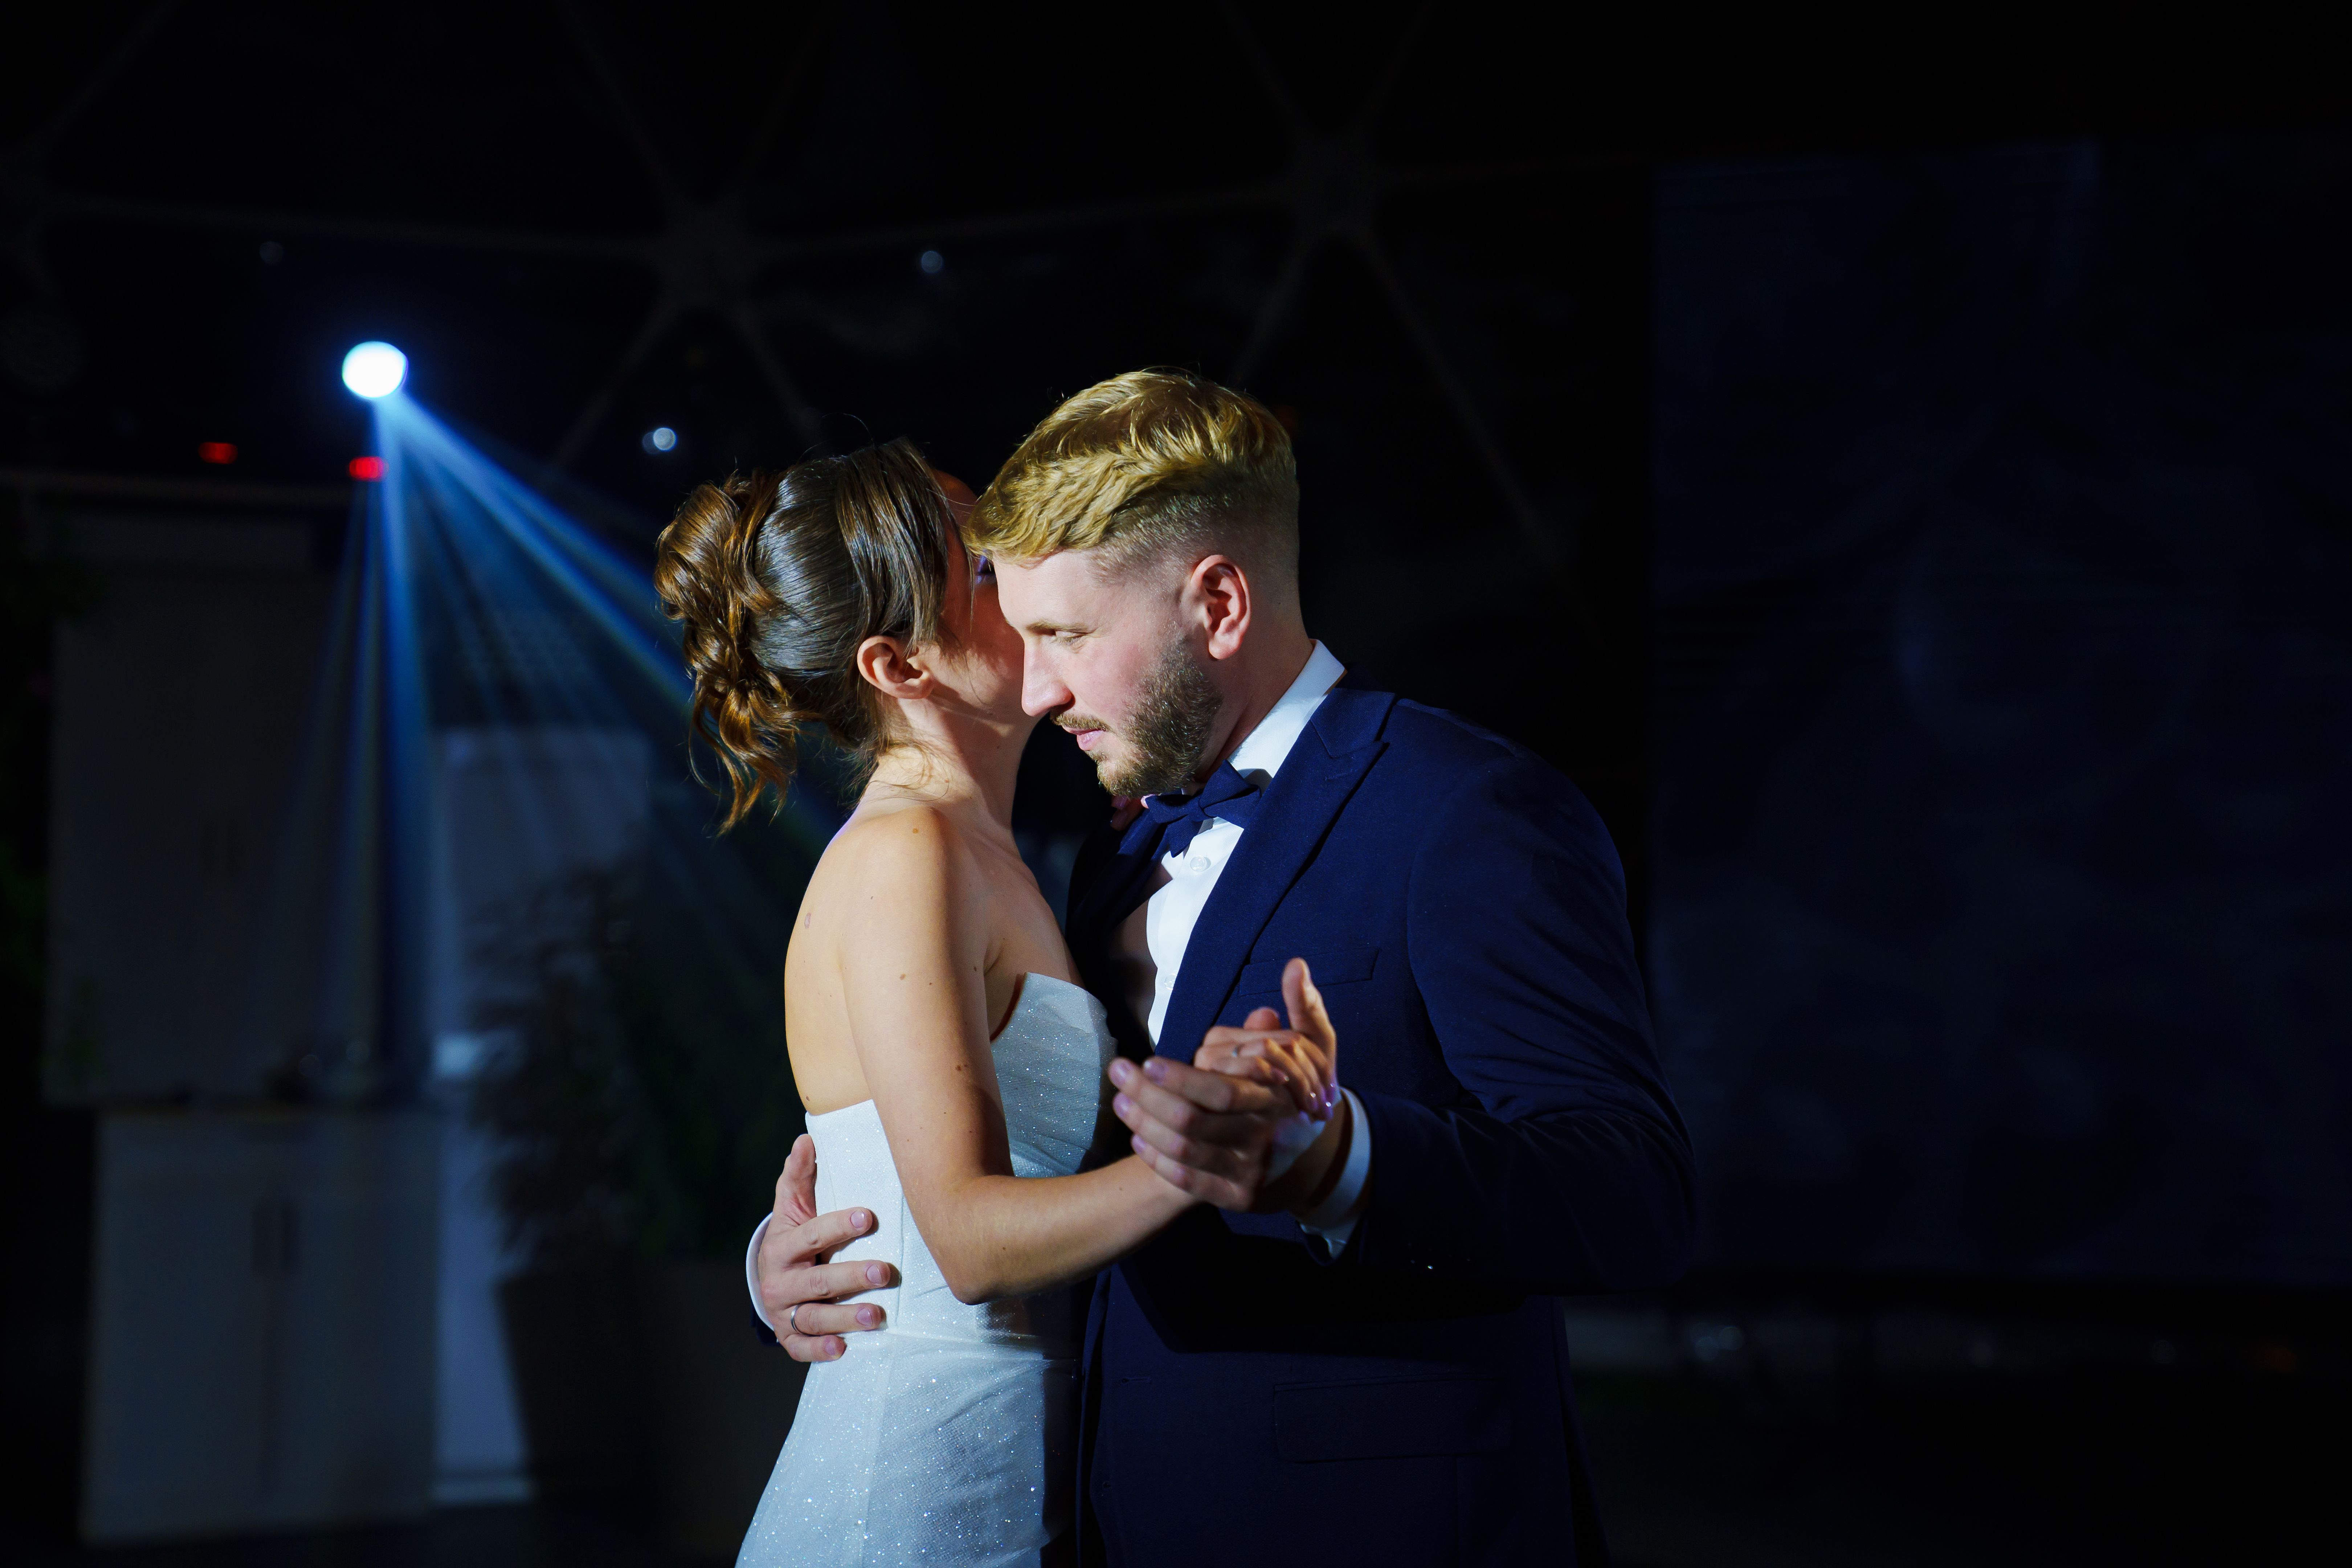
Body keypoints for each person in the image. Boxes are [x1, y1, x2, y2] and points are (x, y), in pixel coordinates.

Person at [753, 371, 1696, 1565]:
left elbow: (1634, 1198)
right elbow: (1016, 1168)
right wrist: (816, 1253)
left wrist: (1340, 1160)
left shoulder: (1466, 812)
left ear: (1218, 601)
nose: (1044, 682)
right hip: (1102, 1515)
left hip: (1383, 1531)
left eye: (1070, 636)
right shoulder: (1103, 851)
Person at [653, 440, 1336, 1567]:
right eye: (976, 566)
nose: (1022, 568)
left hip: (1030, 1475)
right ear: (898, 667)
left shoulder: (1000, 853)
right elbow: (965, 1243)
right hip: (917, 1495)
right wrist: (1210, 1142)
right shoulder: (907, 854)